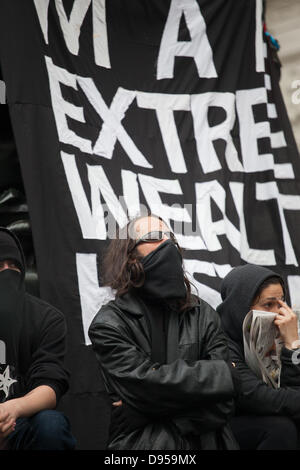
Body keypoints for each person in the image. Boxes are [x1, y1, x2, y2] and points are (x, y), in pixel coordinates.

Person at [89, 214, 239, 450]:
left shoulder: (203, 313)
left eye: (170, 237)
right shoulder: (109, 324)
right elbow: (146, 386)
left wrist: (145, 412)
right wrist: (220, 375)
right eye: (155, 237)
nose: (167, 243)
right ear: (129, 254)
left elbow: (225, 402)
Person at [0, 227, 76, 450]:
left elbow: (50, 385)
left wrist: (12, 409)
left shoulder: (46, 318)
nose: (7, 272)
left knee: (51, 424)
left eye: (14, 266)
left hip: (20, 420)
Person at [217, 263, 300, 450]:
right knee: (280, 429)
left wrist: (293, 346)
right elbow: (254, 396)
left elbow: (292, 388)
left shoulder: (279, 335)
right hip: (224, 426)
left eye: (281, 303)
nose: (278, 313)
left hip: (264, 417)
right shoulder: (219, 340)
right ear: (241, 306)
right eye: (268, 304)